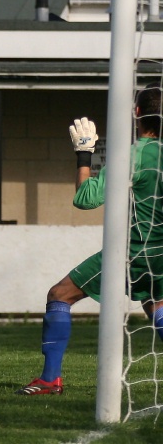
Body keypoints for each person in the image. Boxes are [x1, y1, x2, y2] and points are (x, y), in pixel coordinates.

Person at [17, 85, 163, 396]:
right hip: (162, 253)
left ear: (137, 113)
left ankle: (49, 379)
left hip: (134, 251)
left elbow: (85, 200)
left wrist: (84, 153)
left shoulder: (135, 154)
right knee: (155, 305)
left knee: (60, 294)